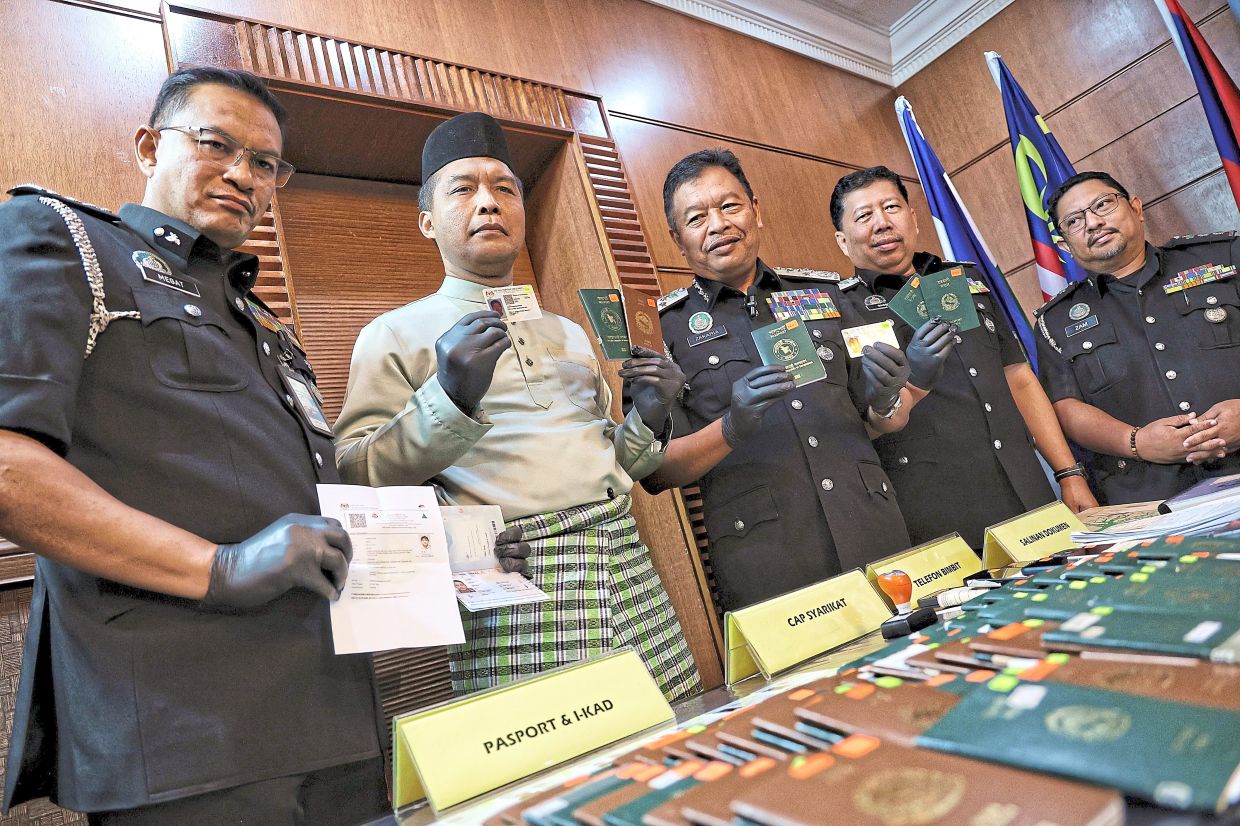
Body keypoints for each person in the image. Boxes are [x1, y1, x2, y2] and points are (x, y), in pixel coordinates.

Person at [0, 68, 386, 823]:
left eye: (267, 164)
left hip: (333, 706)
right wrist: (222, 567)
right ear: (150, 147)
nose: (244, 175)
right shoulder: (69, 241)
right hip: (185, 728)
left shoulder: (260, 319)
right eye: (216, 144)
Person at [334, 112, 701, 701]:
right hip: (517, 573)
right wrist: (448, 397)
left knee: (672, 729)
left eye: (506, 188)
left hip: (624, 557)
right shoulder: (393, 333)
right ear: (428, 222)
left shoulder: (567, 331)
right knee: (557, 770)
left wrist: (650, 415)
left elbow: (611, 460)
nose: (489, 203)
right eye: (463, 189)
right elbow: (354, 473)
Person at [634, 149, 952, 612]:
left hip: (872, 526)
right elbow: (658, 471)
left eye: (729, 206)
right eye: (697, 217)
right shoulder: (663, 329)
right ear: (677, 238)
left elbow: (881, 420)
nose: (718, 225)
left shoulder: (825, 295)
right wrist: (731, 426)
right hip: (768, 558)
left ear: (756, 211)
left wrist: (887, 397)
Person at [829, 166, 1095, 550]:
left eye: (891, 207)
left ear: (913, 217)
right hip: (938, 519)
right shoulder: (840, 314)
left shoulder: (967, 282)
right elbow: (859, 426)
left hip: (1028, 491)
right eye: (864, 216)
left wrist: (1068, 472)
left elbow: (1018, 378)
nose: (882, 223)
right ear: (842, 240)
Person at [1037, 170, 1240, 503]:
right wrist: (1137, 442)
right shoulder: (1056, 321)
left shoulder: (1224, 259)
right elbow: (1066, 406)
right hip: (1152, 500)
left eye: (1102, 205)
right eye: (1074, 221)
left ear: (1136, 208)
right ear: (1065, 247)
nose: (1092, 223)